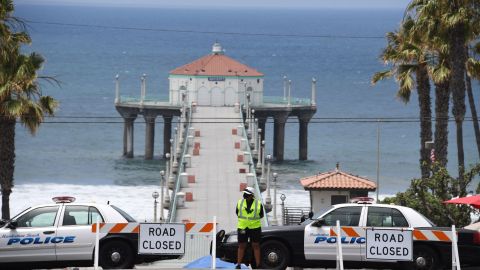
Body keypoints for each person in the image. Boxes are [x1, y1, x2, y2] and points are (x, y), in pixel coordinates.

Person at [235, 186, 264, 269]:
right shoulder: (240, 202)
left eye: (247, 194)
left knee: (256, 245)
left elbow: (261, 215)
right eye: (244, 194)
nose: (245, 195)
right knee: (241, 245)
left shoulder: (258, 204)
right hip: (243, 227)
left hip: (255, 228)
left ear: (252, 195)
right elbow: (237, 212)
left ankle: (258, 265)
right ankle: (239, 264)